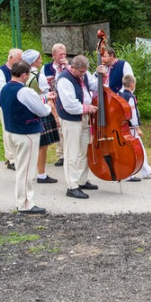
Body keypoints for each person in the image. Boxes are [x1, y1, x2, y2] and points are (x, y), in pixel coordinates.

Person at [0, 61, 52, 214]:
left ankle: (21, 201)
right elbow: (42, 111)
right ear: (24, 75)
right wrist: (48, 104)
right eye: (28, 74)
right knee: (27, 170)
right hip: (26, 133)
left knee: (21, 169)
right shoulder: (24, 91)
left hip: (12, 131)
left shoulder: (5, 88)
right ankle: (26, 203)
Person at [56, 55, 101, 199]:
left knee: (84, 150)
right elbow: (69, 105)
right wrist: (86, 108)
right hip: (71, 119)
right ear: (73, 67)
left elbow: (94, 85)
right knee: (72, 152)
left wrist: (102, 75)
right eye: (80, 72)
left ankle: (81, 180)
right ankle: (72, 186)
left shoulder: (84, 74)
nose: (83, 74)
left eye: (84, 71)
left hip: (84, 117)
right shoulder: (64, 79)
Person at [21, 49, 59, 184]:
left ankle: (30, 171)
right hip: (40, 108)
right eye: (38, 59)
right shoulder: (39, 76)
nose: (41, 60)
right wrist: (55, 115)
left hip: (27, 110)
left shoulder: (22, 74)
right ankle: (41, 174)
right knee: (42, 145)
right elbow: (47, 96)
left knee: (32, 143)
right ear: (33, 61)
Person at [119, 74, 151, 182]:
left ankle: (146, 169)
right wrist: (137, 128)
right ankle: (130, 174)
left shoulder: (121, 95)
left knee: (138, 149)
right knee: (136, 150)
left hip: (124, 127)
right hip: (131, 128)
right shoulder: (130, 97)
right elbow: (132, 114)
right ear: (132, 84)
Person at [0, 48, 22, 170]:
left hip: (19, 105)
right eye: (18, 59)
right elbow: (0, 88)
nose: (20, 62)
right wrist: (13, 96)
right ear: (10, 58)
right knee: (7, 131)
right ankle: (11, 158)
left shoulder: (21, 70)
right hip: (6, 104)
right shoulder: (1, 71)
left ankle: (18, 157)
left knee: (17, 131)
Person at [43, 43, 68, 167]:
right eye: (60, 54)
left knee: (67, 127)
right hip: (54, 99)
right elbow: (43, 84)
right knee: (58, 126)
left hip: (67, 100)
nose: (63, 56)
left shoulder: (69, 67)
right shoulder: (46, 68)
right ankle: (61, 154)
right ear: (53, 56)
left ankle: (69, 153)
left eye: (64, 54)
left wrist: (67, 66)